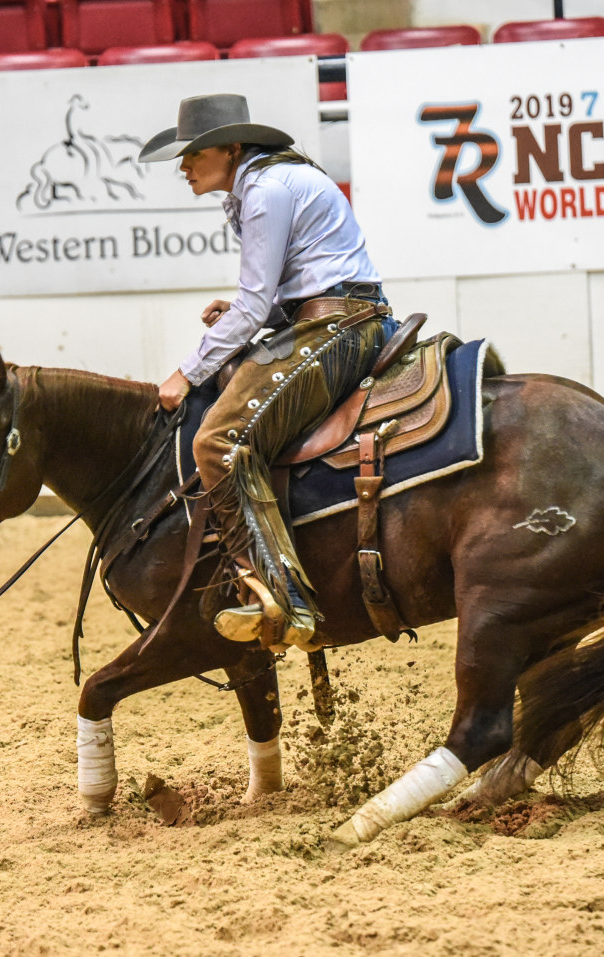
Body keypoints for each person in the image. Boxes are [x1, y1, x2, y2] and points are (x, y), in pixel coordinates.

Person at [139, 93, 395, 651]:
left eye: (194, 153)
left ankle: (280, 595)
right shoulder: (268, 183)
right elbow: (286, 293)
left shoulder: (264, 190)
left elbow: (258, 306)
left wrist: (187, 371)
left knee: (218, 443)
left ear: (232, 148)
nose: (184, 166)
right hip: (336, 317)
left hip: (338, 326)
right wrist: (248, 315)